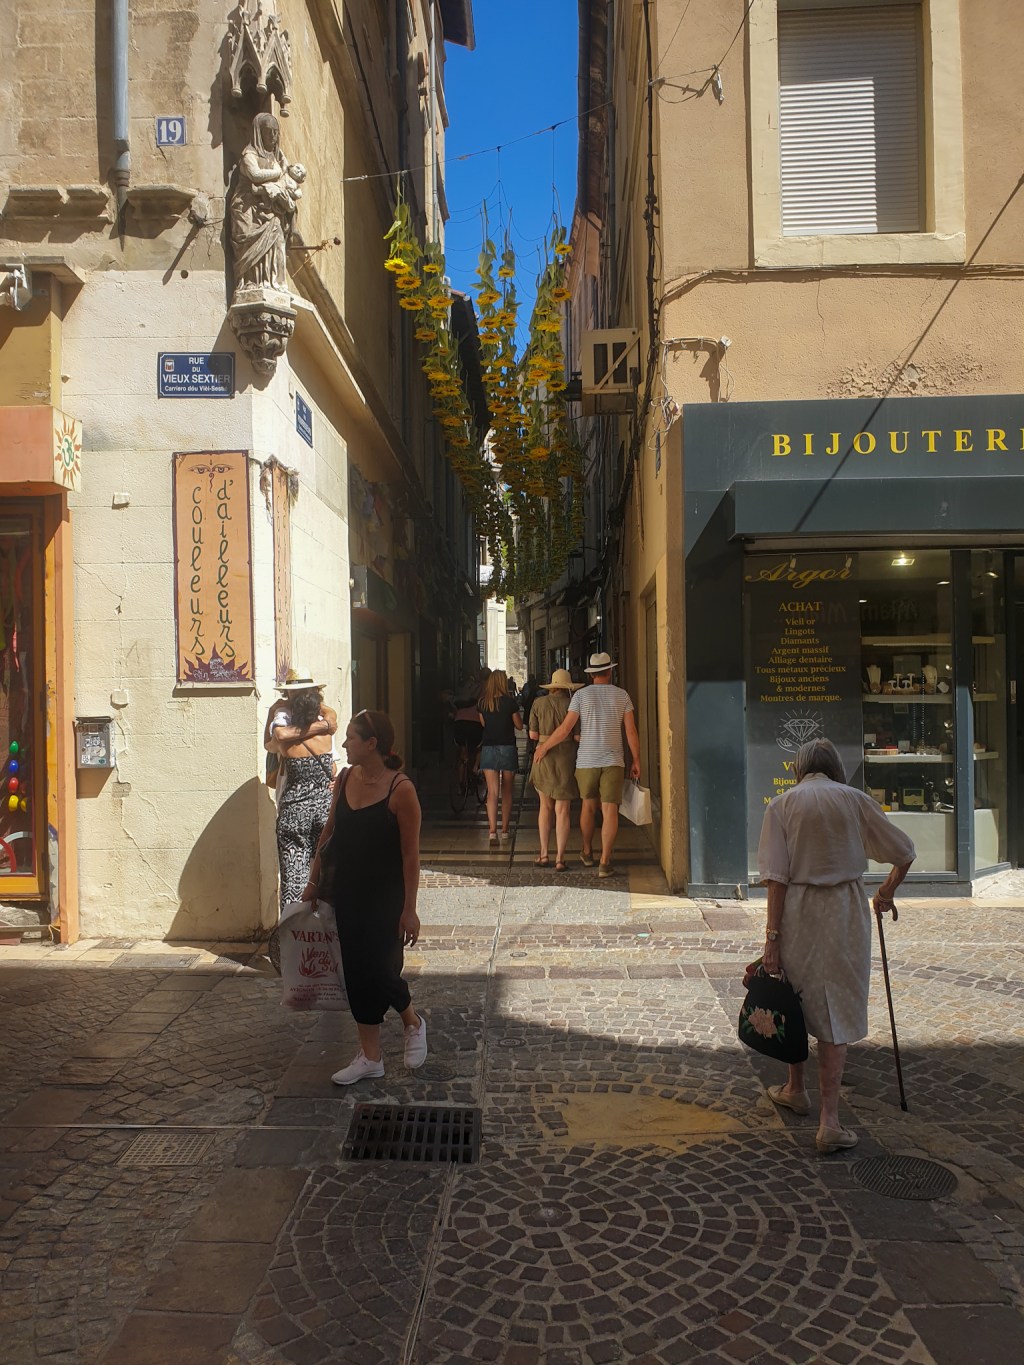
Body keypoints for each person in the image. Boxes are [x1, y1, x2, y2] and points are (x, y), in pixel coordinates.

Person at [757, 737, 915, 1154]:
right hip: (846, 909)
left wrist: (771, 939)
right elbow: (905, 853)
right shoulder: (855, 800)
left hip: (799, 911)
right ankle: (829, 1120)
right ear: (835, 767)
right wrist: (885, 893)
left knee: (793, 998)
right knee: (836, 1007)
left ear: (799, 768)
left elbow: (776, 879)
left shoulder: (781, 805)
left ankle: (796, 1088)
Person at [303, 709, 427, 1085]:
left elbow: (410, 854)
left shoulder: (400, 789)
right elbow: (329, 833)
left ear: (372, 744)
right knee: (355, 972)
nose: (344, 743)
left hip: (386, 896)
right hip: (347, 891)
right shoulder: (344, 779)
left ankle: (412, 1021)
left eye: (351, 738)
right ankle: (370, 1056)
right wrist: (313, 882)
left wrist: (410, 909)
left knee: (381, 969)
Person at [532, 651, 640, 878]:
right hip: (613, 761)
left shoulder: (581, 696)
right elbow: (630, 731)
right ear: (610, 671)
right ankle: (605, 862)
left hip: (587, 761)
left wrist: (544, 747)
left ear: (591, 674)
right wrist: (636, 760)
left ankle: (587, 851)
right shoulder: (623, 696)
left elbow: (565, 729)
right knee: (610, 810)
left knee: (588, 807)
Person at [264, 672, 338, 973]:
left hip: (294, 812)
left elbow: (274, 740)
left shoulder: (285, 736)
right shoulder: (327, 731)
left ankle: (292, 953)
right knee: (326, 878)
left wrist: (279, 711)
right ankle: (328, 947)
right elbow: (331, 719)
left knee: (293, 881)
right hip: (324, 811)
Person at [528, 668, 582, 871]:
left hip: (542, 758)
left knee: (545, 807)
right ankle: (560, 858)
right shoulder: (573, 704)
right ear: (568, 687)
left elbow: (533, 735)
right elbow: (577, 736)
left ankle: (543, 854)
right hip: (566, 759)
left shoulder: (538, 703)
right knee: (563, 810)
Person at [477, 669, 523, 846]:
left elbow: (483, 724)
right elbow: (519, 726)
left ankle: (492, 832)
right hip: (508, 748)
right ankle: (504, 831)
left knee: (492, 792)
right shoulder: (510, 703)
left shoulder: (482, 703)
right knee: (507, 791)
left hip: (488, 749)